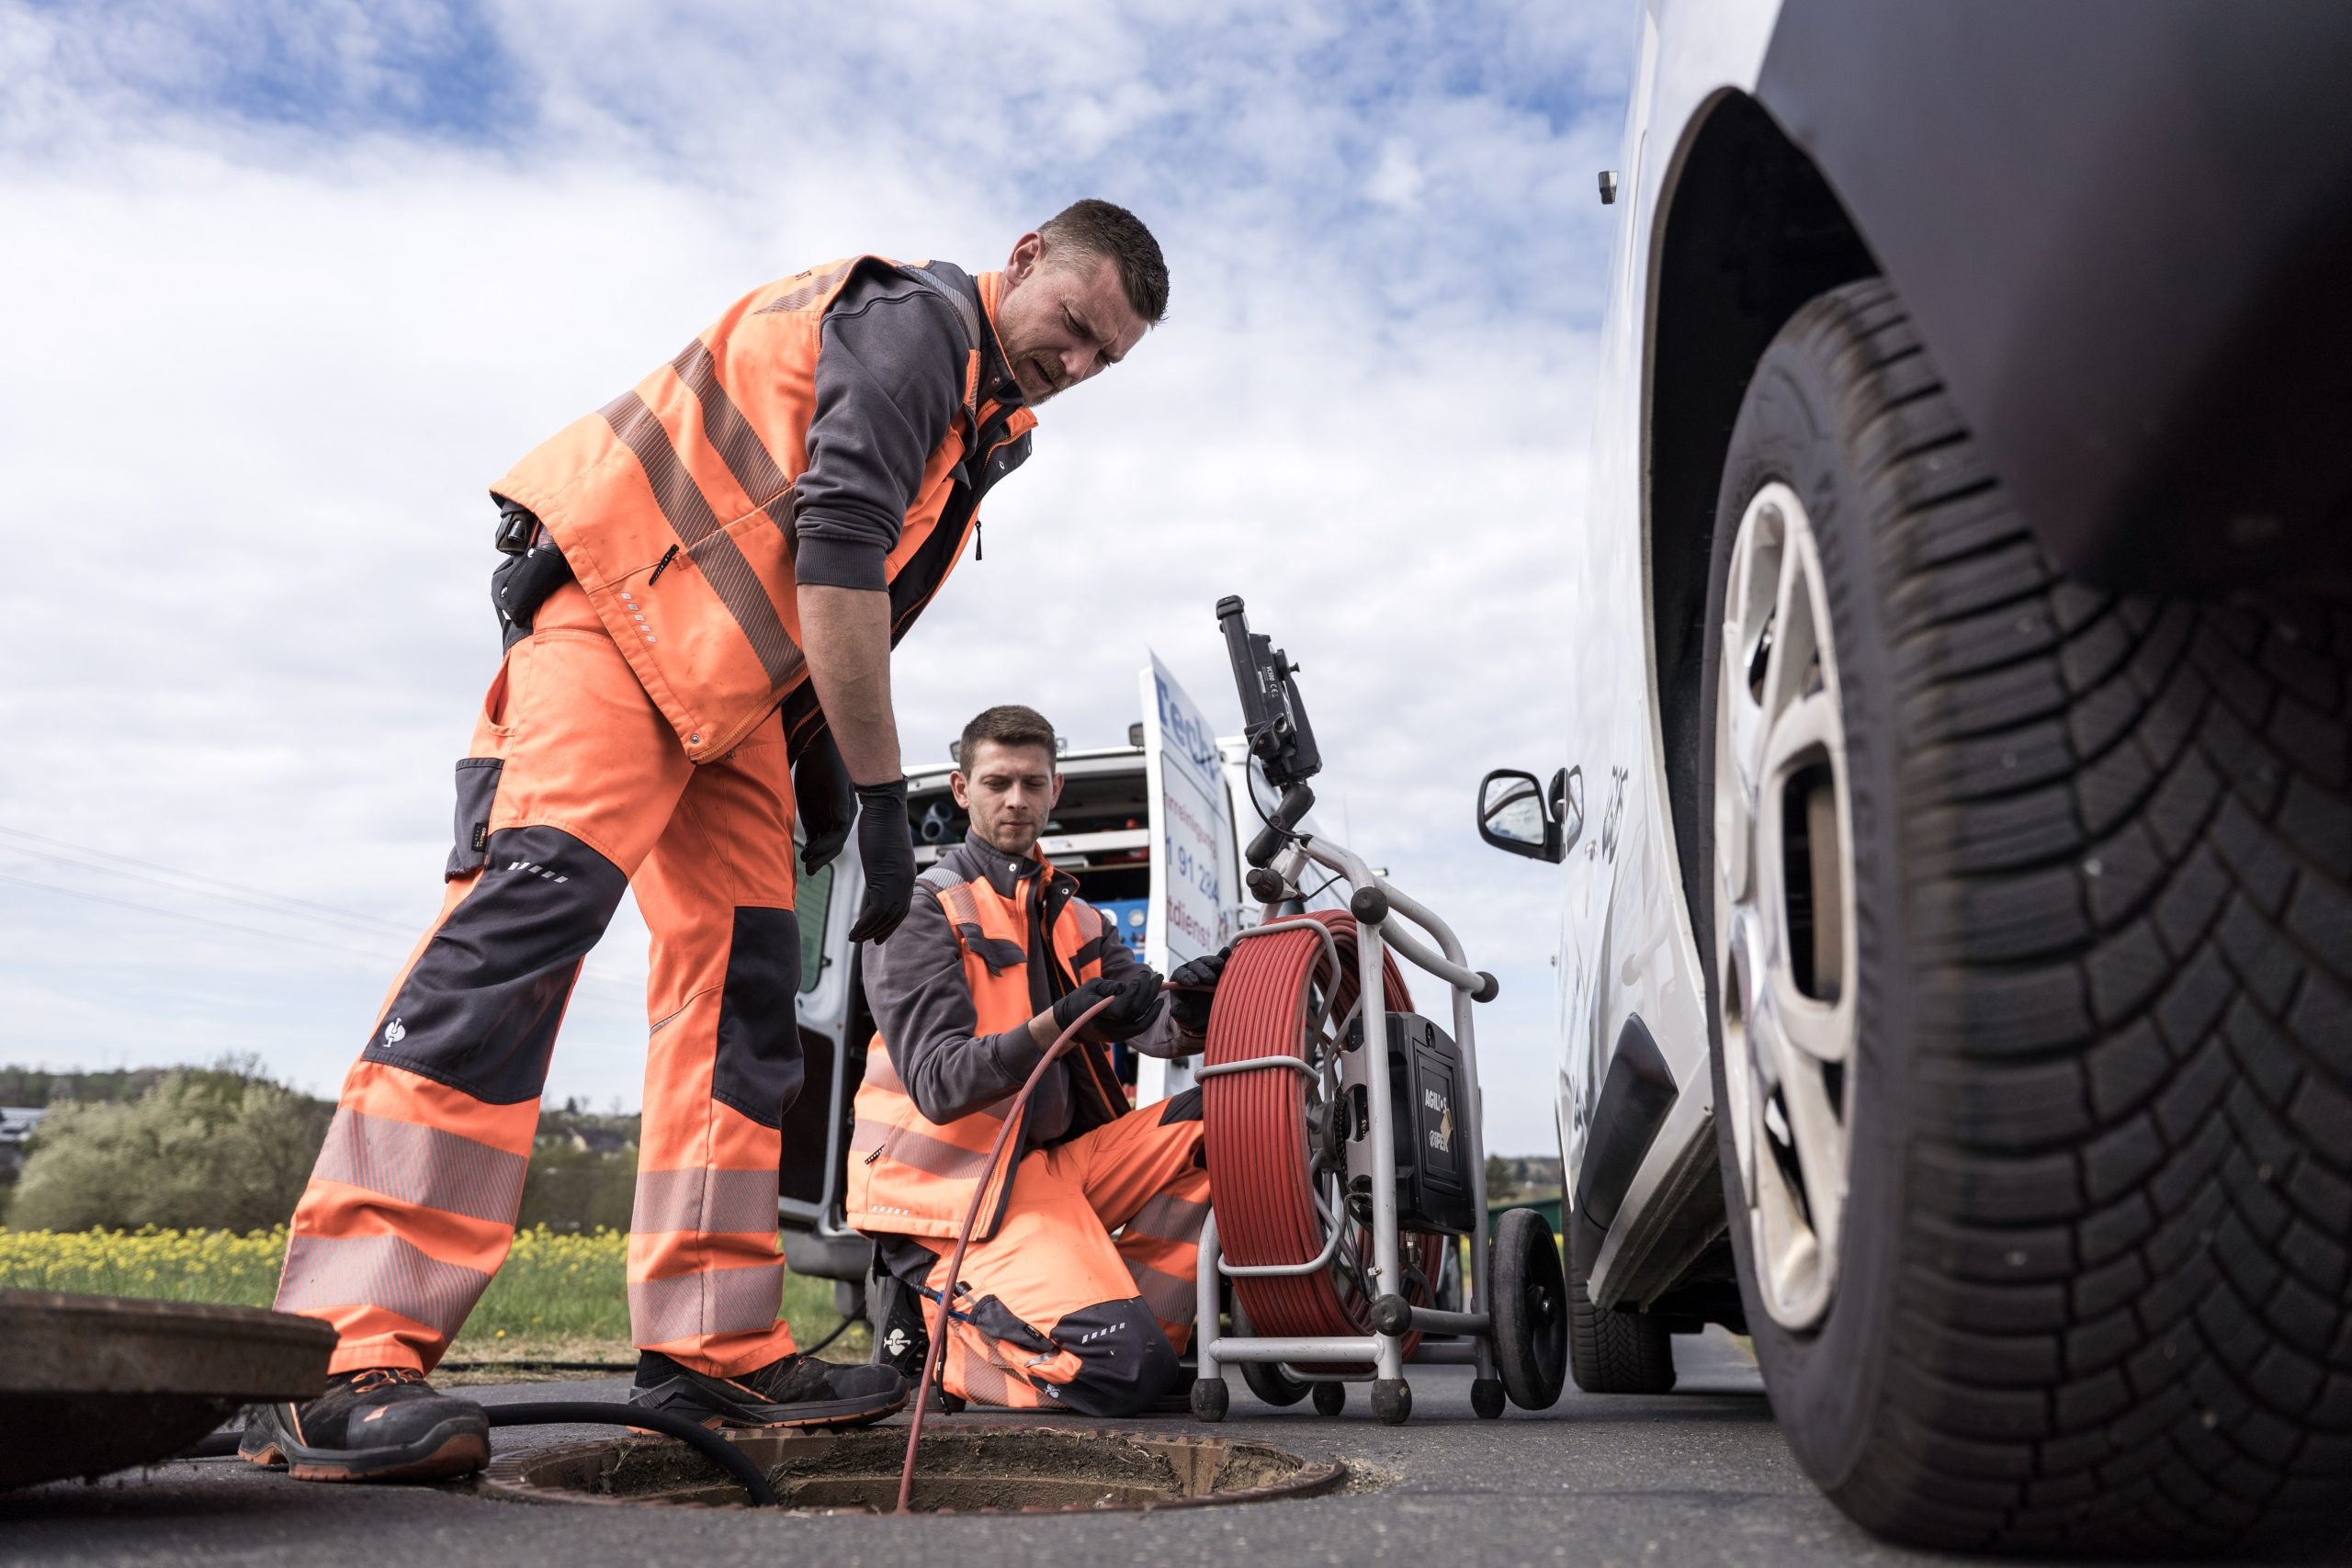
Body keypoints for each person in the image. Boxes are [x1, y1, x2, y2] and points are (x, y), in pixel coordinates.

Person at [240, 203, 1170, 1483]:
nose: (1076, 366)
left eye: (1102, 361)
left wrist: (803, 745)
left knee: (745, 1006)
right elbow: (837, 549)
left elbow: (814, 582)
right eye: (1072, 327)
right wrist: (881, 790)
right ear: (1020, 262)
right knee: (521, 937)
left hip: (727, 706)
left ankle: (711, 1345)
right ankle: (342, 1348)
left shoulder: (980, 421)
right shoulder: (913, 326)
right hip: (614, 625)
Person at [849, 705, 1230, 1416]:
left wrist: (1221, 994)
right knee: (1117, 1369)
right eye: (997, 782)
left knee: (1225, 1120)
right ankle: (943, 1348)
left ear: (1056, 789)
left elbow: (1162, 1030)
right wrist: (1063, 1016)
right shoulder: (920, 908)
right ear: (962, 790)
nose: (1016, 799)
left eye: (1032, 782)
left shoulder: (1076, 916)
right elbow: (938, 1082)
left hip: (1050, 1170)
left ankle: (1143, 1339)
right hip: (953, 1193)